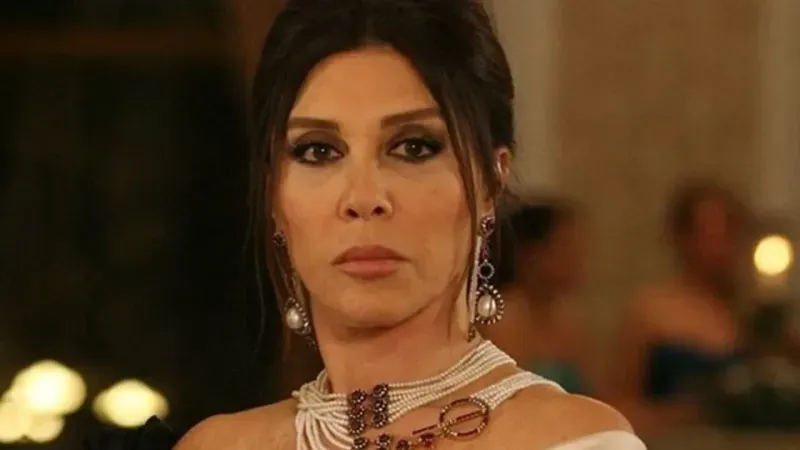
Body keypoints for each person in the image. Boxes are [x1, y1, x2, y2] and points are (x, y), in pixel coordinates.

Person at [86, 0, 645, 448]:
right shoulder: (217, 445)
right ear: (275, 194)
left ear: (490, 182)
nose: (363, 198)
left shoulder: (573, 439)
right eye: (318, 151)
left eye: (413, 147)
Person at [609, 180, 748, 434]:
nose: (721, 246)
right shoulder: (651, 309)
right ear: (682, 238)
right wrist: (674, 415)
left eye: (729, 232)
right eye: (709, 233)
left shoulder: (745, 312)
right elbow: (618, 401)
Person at [483, 202, 596, 395]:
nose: (577, 258)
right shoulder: (502, 320)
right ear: (530, 254)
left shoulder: (569, 322)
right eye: (565, 247)